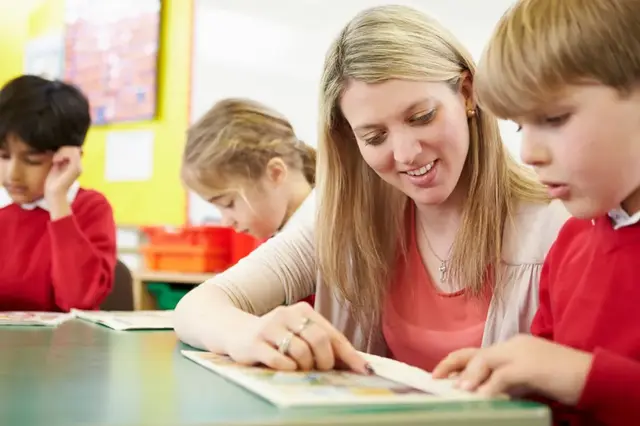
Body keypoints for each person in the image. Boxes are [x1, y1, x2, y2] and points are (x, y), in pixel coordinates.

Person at [173, 5, 568, 374]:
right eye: (375, 136)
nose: (406, 153)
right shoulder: (341, 219)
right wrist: (250, 334)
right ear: (351, 140)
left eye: (422, 117)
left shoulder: (555, 221)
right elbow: (198, 307)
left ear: (467, 93)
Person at [431, 0, 640, 424]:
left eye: (555, 118)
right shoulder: (571, 242)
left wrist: (578, 375)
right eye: (521, 126)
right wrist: (511, 377)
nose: (528, 154)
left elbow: (568, 375)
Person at [0, 75, 117, 312]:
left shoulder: (89, 208)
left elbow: (79, 300)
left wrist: (57, 201)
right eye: (3, 156)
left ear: (67, 157)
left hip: (65, 347)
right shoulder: (4, 213)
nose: (13, 174)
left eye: (32, 161)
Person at [181, 98, 316, 241]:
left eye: (228, 204)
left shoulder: (315, 236)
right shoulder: (292, 234)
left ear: (275, 173)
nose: (226, 223)